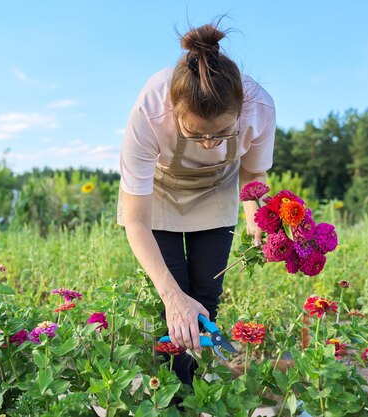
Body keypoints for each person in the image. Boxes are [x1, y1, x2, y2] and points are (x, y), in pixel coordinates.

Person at [117, 22, 276, 385]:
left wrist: (257, 216)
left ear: (240, 111)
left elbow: (253, 177)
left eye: (221, 134)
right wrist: (173, 297)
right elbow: (136, 221)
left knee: (205, 295)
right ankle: (171, 397)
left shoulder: (261, 107)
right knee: (171, 300)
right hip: (156, 195)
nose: (208, 144)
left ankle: (194, 394)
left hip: (217, 191)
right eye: (195, 134)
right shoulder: (150, 111)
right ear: (174, 111)